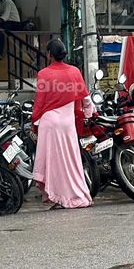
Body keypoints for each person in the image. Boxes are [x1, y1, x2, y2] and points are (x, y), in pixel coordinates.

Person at [30, 39, 94, 209]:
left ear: (50, 54)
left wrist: (34, 121)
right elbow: (85, 98)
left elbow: (40, 102)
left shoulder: (44, 74)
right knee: (71, 159)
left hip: (49, 122)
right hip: (67, 122)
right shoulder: (74, 71)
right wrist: (89, 114)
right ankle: (76, 195)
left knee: (52, 162)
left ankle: (54, 196)